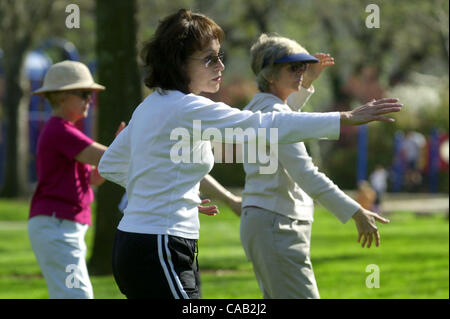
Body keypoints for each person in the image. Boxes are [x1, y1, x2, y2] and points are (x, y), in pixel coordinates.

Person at [98, 9, 402, 299]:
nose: (221, 66)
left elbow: (109, 164)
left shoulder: (152, 105)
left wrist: (171, 194)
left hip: (140, 243)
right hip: (159, 245)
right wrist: (345, 117)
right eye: (209, 59)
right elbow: (263, 124)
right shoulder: (185, 108)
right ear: (178, 63)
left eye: (220, 57)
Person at [240, 33, 397, 299]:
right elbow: (306, 174)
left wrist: (305, 83)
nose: (301, 72)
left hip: (266, 222)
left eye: (303, 66)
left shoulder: (259, 107)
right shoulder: (275, 115)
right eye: (293, 67)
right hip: (277, 225)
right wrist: (356, 211)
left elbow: (287, 118)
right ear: (269, 75)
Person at [27, 60, 120, 299]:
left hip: (60, 226)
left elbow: (93, 178)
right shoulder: (61, 131)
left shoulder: (66, 131)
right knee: (76, 295)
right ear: (61, 97)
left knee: (71, 294)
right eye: (84, 94)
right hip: (57, 226)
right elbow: (108, 157)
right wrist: (123, 145)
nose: (90, 99)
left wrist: (118, 151)